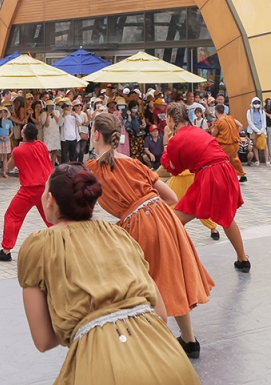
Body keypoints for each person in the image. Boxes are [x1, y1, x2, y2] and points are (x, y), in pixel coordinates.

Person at [17, 164, 198, 384]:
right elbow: (160, 313)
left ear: (50, 199)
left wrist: (81, 318)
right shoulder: (119, 234)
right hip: (169, 359)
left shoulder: (38, 245)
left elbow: (43, 340)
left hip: (103, 366)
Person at [84, 113, 213, 359]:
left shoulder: (92, 171)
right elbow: (171, 198)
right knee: (171, 278)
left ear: (96, 135)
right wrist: (150, 210)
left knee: (145, 285)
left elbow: (86, 208)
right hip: (164, 218)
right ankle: (190, 341)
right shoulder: (134, 163)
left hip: (136, 224)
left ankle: (154, 346)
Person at [162, 103, 249, 272]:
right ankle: (242, 259)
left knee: (175, 219)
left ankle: (177, 262)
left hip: (209, 176)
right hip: (225, 171)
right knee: (226, 218)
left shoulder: (176, 140)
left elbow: (174, 168)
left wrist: (166, 152)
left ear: (170, 119)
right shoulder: (198, 131)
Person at [0, 123, 54, 262]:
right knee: (52, 219)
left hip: (28, 189)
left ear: (23, 135)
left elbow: (10, 166)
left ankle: (6, 250)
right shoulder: (42, 145)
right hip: (45, 188)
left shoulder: (19, 150)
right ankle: (67, 243)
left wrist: (17, 150)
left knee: (12, 216)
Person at [210, 104, 244, 181]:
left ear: (215, 111)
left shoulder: (219, 122)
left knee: (222, 161)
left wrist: (213, 124)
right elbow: (240, 125)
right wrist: (235, 134)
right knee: (234, 159)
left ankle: (226, 176)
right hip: (235, 143)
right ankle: (240, 174)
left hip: (225, 145)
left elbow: (213, 134)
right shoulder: (230, 118)